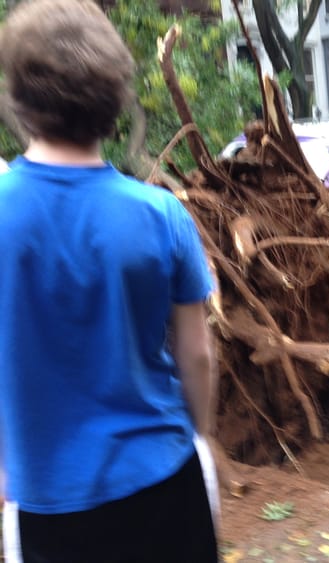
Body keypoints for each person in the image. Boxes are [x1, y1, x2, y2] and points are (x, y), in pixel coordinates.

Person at [0, 1, 219, 561]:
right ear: (115, 101)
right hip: (166, 485)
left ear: (19, 99)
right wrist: (200, 434)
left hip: (51, 505)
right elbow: (196, 355)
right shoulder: (161, 215)